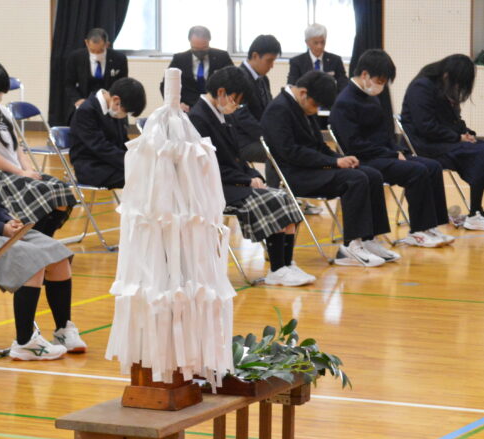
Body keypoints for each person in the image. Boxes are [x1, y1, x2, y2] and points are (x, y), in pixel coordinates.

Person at [0, 97, 84, 359]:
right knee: (31, 260)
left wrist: (7, 220)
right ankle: (25, 341)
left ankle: (63, 329)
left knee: (58, 253)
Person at [189, 67, 311, 285]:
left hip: (231, 181)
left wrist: (255, 176)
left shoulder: (222, 114)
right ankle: (277, 269)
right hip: (214, 186)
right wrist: (245, 180)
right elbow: (208, 165)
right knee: (272, 200)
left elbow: (237, 157)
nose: (236, 106)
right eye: (235, 100)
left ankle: (286, 263)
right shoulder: (198, 118)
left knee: (285, 198)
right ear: (221, 92)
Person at [263, 71, 396, 267]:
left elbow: (320, 146)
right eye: (316, 104)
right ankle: (350, 246)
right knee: (356, 179)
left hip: (313, 169)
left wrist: (340, 158)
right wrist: (332, 163)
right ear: (303, 93)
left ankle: (369, 239)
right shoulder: (279, 109)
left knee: (372, 174)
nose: (316, 109)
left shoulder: (303, 106)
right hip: (293, 174)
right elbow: (291, 153)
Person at [329, 49, 454, 248]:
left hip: (383, 154)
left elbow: (384, 134)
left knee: (433, 166)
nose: (381, 86)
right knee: (417, 171)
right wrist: (391, 154)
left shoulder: (370, 96)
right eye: (379, 80)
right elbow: (354, 145)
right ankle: (418, 231)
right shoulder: (345, 102)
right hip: (365, 159)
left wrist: (398, 150)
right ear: (364, 75)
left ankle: (431, 225)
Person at [401, 53, 484, 229]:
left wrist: (466, 133)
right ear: (447, 74)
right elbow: (426, 127)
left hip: (444, 140)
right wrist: (457, 137)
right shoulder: (421, 87)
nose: (458, 87)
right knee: (480, 155)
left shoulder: (445, 87)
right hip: (424, 145)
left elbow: (454, 121)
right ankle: (475, 213)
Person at [0, 62, 76, 237]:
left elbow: (18, 148)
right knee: (43, 193)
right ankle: (33, 240)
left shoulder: (4, 112)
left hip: (16, 171)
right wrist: (20, 173)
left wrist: (28, 170)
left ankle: (43, 238)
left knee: (62, 191)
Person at [68, 77, 145, 189]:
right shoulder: (86, 111)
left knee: (146, 172)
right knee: (140, 177)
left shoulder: (115, 109)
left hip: (110, 162)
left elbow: (123, 141)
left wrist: (137, 155)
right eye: (127, 112)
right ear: (116, 101)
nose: (126, 116)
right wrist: (131, 161)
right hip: (91, 167)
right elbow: (100, 147)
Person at [232, 34, 281, 164]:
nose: (272, 66)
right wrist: (269, 136)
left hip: (259, 137)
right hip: (244, 141)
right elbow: (242, 116)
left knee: (292, 144)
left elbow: (269, 110)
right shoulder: (238, 77)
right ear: (255, 56)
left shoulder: (263, 79)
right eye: (269, 61)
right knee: (283, 151)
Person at [165, 26, 234, 111]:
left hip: (217, 107)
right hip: (187, 108)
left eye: (204, 48)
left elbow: (234, 81)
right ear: (190, 42)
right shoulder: (179, 59)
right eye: (195, 49)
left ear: (209, 41)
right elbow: (166, 85)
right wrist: (176, 104)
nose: (200, 52)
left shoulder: (222, 57)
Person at [65, 27, 129, 112]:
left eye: (100, 51)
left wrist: (112, 101)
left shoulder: (119, 58)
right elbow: (69, 84)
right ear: (86, 43)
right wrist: (77, 100)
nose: (96, 54)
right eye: (92, 50)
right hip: (83, 103)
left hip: (110, 105)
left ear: (107, 44)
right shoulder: (75, 57)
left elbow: (122, 85)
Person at [287, 24, 349, 92]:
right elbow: (292, 86)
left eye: (322, 42)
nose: (320, 46)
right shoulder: (297, 62)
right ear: (307, 42)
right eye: (316, 43)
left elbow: (343, 84)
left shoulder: (335, 60)